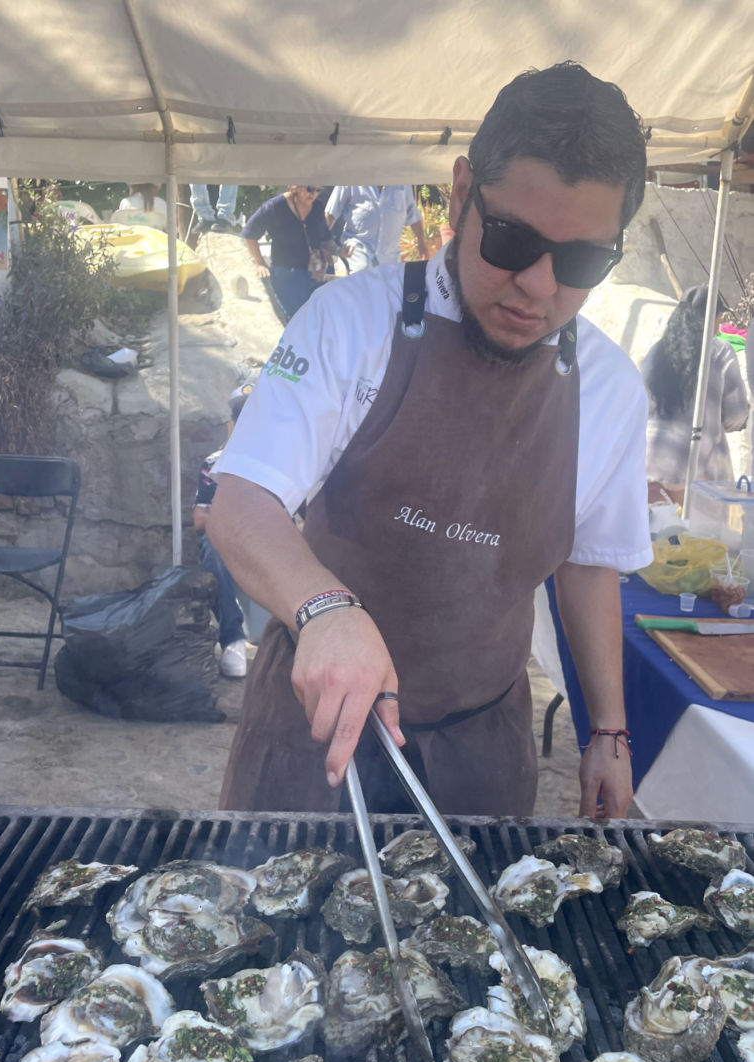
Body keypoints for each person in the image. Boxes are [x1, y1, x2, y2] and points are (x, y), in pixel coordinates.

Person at [209, 62, 652, 820]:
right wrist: (324, 608)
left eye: (581, 261)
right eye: (511, 241)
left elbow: (589, 564)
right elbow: (241, 501)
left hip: (482, 747)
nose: (539, 287)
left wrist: (607, 728)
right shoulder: (348, 322)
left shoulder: (610, 389)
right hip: (315, 737)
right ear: (460, 193)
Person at [642, 285, 749, 499]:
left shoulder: (655, 351)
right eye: (719, 321)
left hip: (648, 466)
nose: (719, 329)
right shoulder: (720, 352)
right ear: (713, 318)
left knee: (659, 531)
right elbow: (737, 415)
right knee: (698, 532)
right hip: (697, 471)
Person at [193, 382, 254, 679]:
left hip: (273, 544)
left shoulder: (286, 462)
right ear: (232, 423)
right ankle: (233, 641)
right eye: (241, 416)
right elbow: (200, 521)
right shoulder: (214, 464)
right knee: (211, 547)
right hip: (229, 540)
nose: (247, 422)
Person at [241, 186, 337, 322]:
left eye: (317, 190)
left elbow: (325, 237)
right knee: (295, 320)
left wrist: (338, 251)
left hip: (314, 274)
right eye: (310, 189)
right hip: (286, 275)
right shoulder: (275, 207)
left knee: (321, 318)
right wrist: (260, 263)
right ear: (296, 187)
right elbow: (250, 234)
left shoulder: (317, 207)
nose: (314, 194)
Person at [324, 185, 427, 271]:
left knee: (387, 292)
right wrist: (322, 244)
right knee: (362, 272)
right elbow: (331, 212)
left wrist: (421, 243)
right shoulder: (351, 176)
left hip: (390, 256)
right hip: (357, 248)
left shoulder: (401, 182)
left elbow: (412, 213)